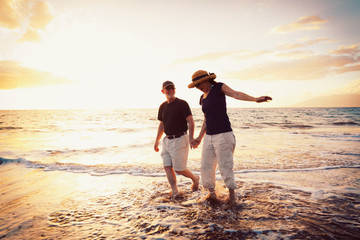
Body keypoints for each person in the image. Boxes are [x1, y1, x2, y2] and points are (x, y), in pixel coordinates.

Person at [189, 70, 272, 205]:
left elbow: (235, 94)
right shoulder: (202, 98)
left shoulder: (219, 87)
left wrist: (255, 99)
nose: (197, 87)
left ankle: (232, 197)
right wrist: (199, 137)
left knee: (225, 167)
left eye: (198, 84)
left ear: (206, 80)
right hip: (209, 137)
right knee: (206, 167)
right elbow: (206, 118)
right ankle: (211, 195)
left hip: (223, 135)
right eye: (195, 86)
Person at [154, 81, 199, 198]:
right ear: (162, 91)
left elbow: (191, 121)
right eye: (167, 89)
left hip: (180, 139)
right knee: (167, 167)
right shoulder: (162, 106)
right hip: (167, 141)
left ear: (175, 89)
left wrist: (191, 138)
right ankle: (175, 191)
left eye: (172, 88)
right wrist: (156, 141)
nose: (170, 91)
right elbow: (162, 124)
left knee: (179, 169)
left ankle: (195, 178)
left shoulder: (182, 104)